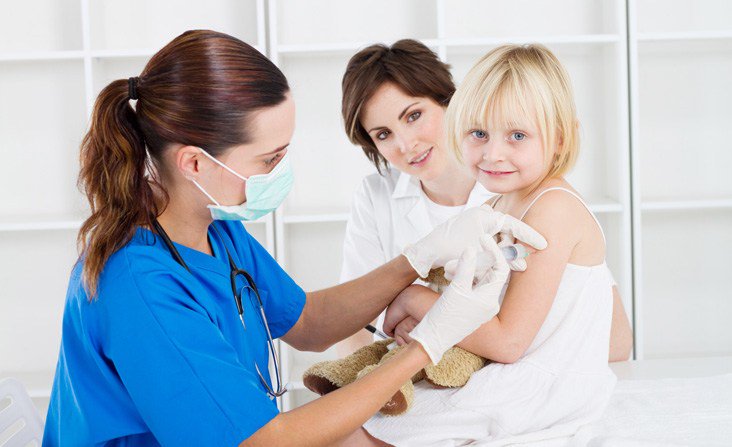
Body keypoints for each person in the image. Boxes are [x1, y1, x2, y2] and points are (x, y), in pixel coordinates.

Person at [41, 30, 546, 447]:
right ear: (194, 163)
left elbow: (307, 322)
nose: (282, 172)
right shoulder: (139, 284)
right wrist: (427, 345)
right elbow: (264, 441)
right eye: (269, 159)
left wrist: (417, 258)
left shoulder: (216, 231)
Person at [361, 44, 621, 446]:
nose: (493, 154)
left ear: (559, 138)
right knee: (356, 422)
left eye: (517, 135)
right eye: (478, 133)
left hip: (545, 387)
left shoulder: (553, 208)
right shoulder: (499, 204)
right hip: (507, 370)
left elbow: (508, 342)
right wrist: (425, 320)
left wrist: (415, 300)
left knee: (365, 433)